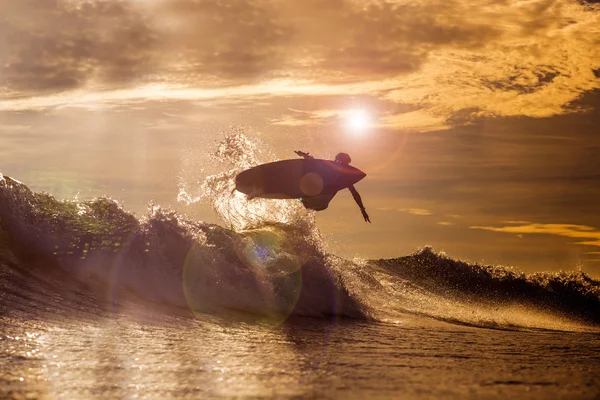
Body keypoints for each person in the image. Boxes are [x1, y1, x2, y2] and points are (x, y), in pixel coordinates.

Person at [294, 150, 371, 223]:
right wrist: (305, 156)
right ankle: (302, 196)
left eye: (346, 164)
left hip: (322, 201)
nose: (337, 162)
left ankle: (304, 197)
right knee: (314, 175)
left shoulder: (344, 177)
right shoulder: (328, 168)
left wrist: (362, 209)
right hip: (314, 198)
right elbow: (315, 163)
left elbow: (354, 193)